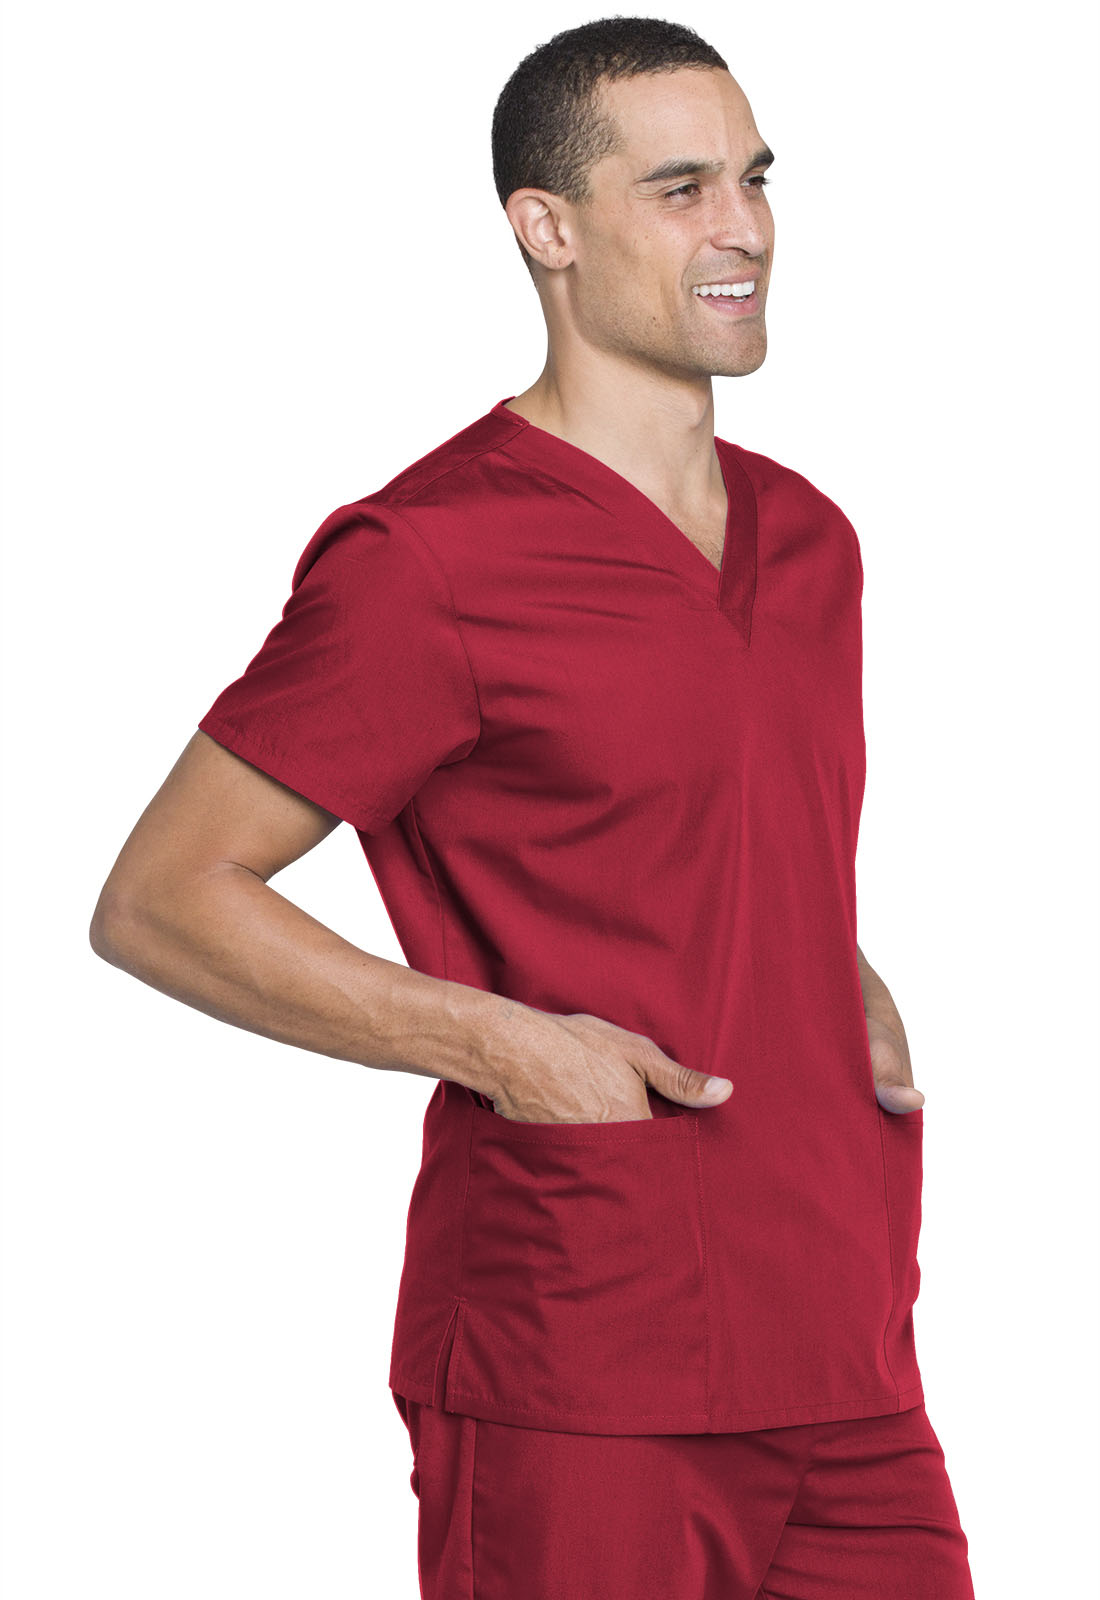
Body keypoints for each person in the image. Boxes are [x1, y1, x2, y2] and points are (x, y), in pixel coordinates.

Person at [89, 17, 975, 1598]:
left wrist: (835, 977)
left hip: (846, 1341)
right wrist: (504, 1046)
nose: (744, 228)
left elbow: (705, 837)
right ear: (545, 228)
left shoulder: (813, 543)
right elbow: (163, 897)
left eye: (757, 180)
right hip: (587, 1349)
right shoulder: (431, 561)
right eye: (682, 189)